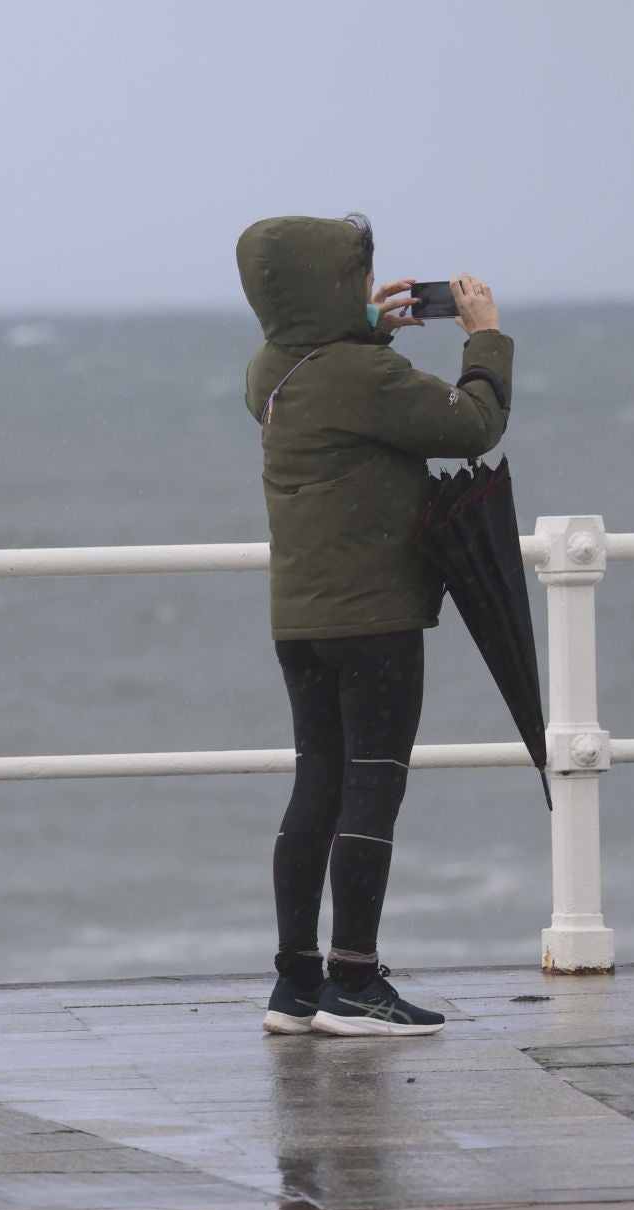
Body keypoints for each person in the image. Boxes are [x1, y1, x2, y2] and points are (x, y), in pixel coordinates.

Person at [235, 215, 511, 1037]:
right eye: (360, 279)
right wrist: (485, 340)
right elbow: (471, 424)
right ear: (331, 286)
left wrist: (363, 330)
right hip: (376, 615)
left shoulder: (271, 371)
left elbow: (338, 376)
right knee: (373, 785)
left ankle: (296, 984)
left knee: (316, 782)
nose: (370, 288)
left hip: (301, 616)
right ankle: (355, 982)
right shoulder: (360, 376)